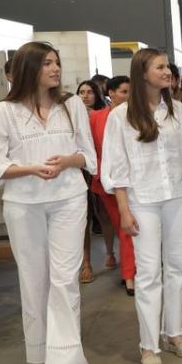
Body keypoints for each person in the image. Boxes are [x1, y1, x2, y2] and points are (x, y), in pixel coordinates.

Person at [0, 41, 97, 364]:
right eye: (47, 63)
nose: (56, 68)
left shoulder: (72, 105)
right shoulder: (5, 111)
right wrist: (30, 168)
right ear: (29, 67)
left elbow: (88, 156)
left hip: (69, 200)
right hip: (23, 205)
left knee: (65, 281)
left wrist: (67, 161)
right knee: (36, 282)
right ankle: (49, 356)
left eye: (57, 62)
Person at [102, 48, 182, 364]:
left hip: (177, 195)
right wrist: (123, 209)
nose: (167, 71)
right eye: (160, 67)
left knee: (177, 266)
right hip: (142, 200)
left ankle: (173, 332)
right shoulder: (120, 116)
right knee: (148, 273)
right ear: (142, 73)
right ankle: (148, 344)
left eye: (167, 67)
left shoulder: (177, 110)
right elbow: (116, 166)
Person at [89, 75, 135, 295]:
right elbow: (90, 149)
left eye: (130, 92)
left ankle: (133, 272)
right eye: (124, 92)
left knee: (134, 228)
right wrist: (101, 172)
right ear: (111, 93)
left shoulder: (138, 115)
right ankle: (130, 275)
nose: (128, 96)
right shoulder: (97, 118)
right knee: (125, 228)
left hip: (136, 181)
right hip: (108, 182)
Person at [76, 79, 108, 284]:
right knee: (84, 218)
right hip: (80, 171)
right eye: (81, 92)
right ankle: (86, 263)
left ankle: (111, 252)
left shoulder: (104, 116)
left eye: (89, 92)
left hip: (101, 168)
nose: (85, 96)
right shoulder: (72, 116)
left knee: (104, 214)